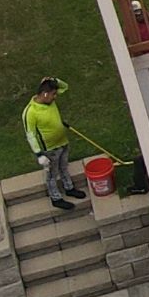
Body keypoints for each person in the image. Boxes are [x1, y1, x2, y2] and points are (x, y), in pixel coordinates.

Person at [24, 77, 86, 211]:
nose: (55, 97)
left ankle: (69, 188)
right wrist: (39, 154)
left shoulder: (49, 102)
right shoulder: (31, 112)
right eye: (53, 94)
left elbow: (65, 87)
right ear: (45, 94)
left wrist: (54, 80)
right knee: (52, 174)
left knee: (64, 167)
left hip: (63, 142)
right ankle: (56, 198)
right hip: (49, 149)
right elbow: (30, 134)